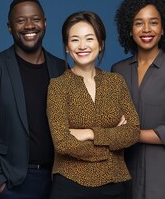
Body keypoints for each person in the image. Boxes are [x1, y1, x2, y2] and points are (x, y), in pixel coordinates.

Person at [0, 0, 67, 199]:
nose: (29, 25)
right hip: (14, 182)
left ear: (45, 23)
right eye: (21, 20)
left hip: (57, 180)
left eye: (35, 19)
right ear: (9, 27)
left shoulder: (61, 68)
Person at [111, 0, 165, 199]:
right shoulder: (118, 71)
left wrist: (134, 134)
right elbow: (111, 121)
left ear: (163, 28)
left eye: (154, 22)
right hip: (125, 178)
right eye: (139, 23)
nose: (146, 29)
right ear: (129, 30)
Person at [47, 11, 140, 199]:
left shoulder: (116, 82)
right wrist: (111, 142)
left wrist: (90, 134)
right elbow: (62, 143)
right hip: (70, 184)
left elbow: (133, 131)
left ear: (101, 43)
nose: (82, 46)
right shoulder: (57, 86)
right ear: (66, 46)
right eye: (74, 40)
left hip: (115, 183)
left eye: (89, 39)